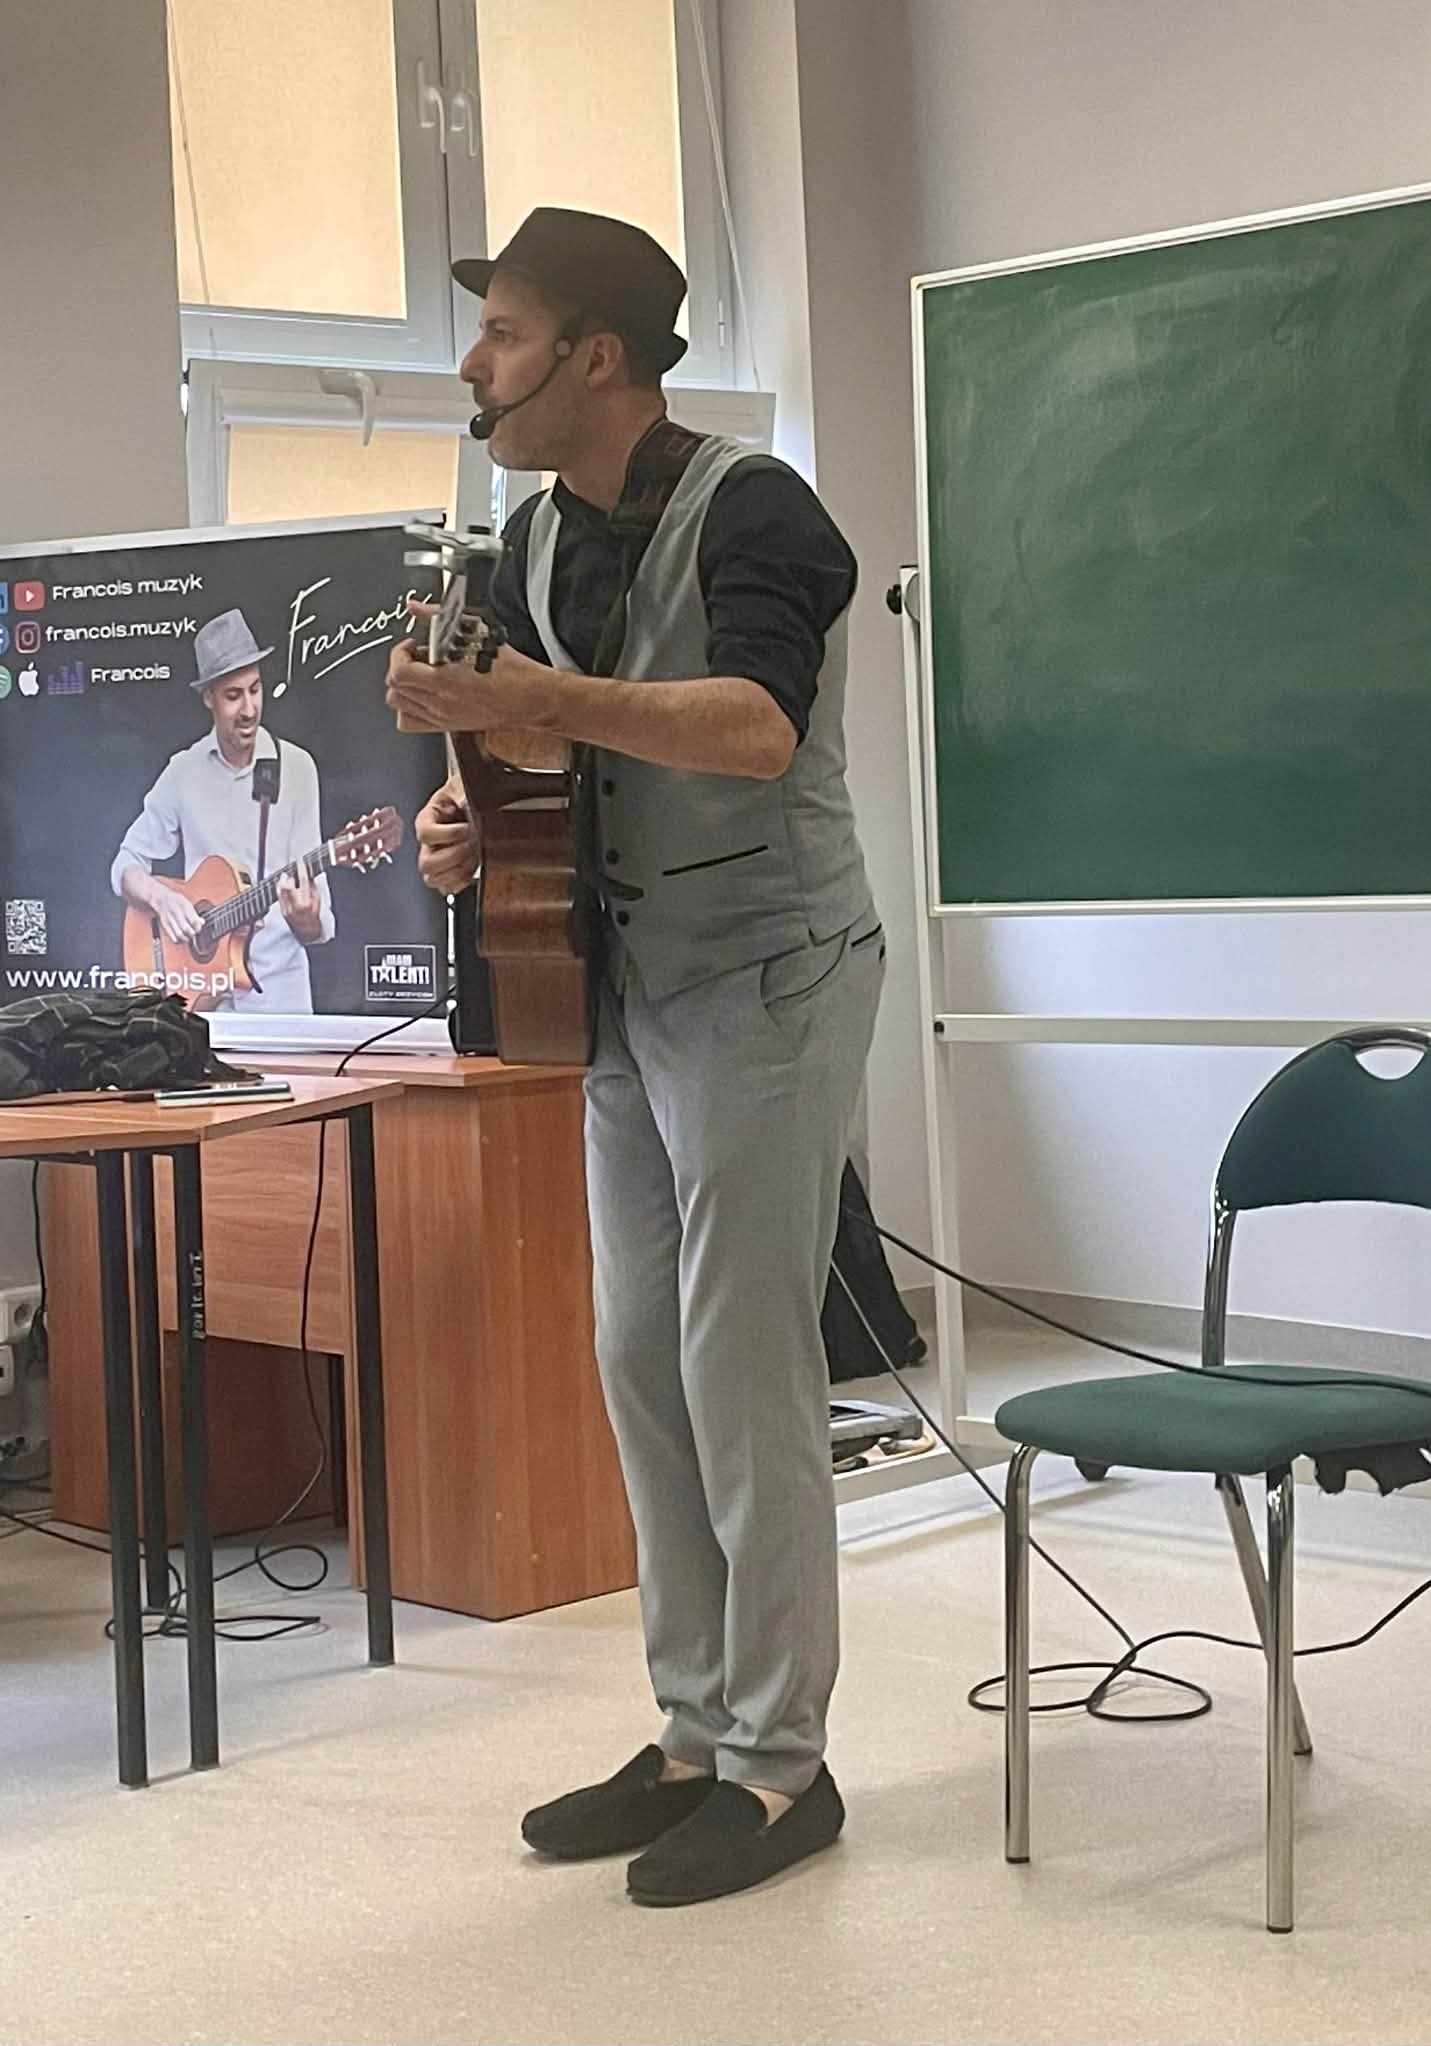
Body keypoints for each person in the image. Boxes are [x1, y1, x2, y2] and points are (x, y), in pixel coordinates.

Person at [389, 208, 880, 1907]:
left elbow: (753, 728)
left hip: (768, 973)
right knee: (641, 1358)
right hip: (618, 980)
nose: (476, 366)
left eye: (505, 334)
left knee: (743, 1369)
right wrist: (470, 815)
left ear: (596, 357)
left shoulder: (757, 508)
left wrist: (540, 700)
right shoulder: (532, 536)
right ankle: (691, 1732)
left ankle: (780, 1764)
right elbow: (543, 751)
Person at [112, 607, 332, 1013]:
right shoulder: (183, 772)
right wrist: (162, 899)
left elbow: (317, 926)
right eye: (233, 696)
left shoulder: (297, 769)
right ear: (208, 698)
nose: (249, 709)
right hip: (202, 1006)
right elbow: (125, 865)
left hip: (280, 1005)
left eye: (255, 689)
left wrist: (306, 919)